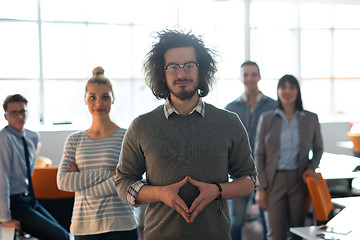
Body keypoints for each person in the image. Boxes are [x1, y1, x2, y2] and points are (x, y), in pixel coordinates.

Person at [115, 29, 258, 240]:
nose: (182, 74)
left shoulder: (229, 122)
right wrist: (160, 193)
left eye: (189, 65)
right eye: (173, 67)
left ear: (201, 71)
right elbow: (123, 181)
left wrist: (217, 190)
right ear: (162, 73)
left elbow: (249, 181)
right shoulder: (141, 126)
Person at [57, 67, 138, 240]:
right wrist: (108, 174)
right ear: (85, 100)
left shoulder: (127, 136)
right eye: (92, 97)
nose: (98, 103)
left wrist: (81, 184)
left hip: (121, 225)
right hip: (84, 227)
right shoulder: (74, 140)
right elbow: (63, 181)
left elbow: (126, 181)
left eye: (105, 97)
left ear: (113, 99)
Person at [255, 74, 323, 240]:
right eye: (283, 87)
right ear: (277, 91)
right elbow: (258, 154)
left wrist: (310, 167)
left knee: (298, 232)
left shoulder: (310, 118)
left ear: (297, 91)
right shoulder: (267, 119)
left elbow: (318, 148)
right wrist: (261, 188)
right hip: (273, 181)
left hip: (298, 180)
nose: (287, 91)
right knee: (275, 234)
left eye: (291, 87)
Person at [0, 94, 69, 240]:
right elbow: (2, 181)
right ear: (6, 116)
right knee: (60, 237)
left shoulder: (32, 137)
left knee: (64, 234)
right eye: (14, 112)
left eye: (23, 111)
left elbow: (28, 172)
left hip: (30, 198)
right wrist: (5, 218)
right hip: (14, 203)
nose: (19, 116)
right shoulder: (4, 138)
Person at [225, 61, 276, 240]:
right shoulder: (230, 109)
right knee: (236, 221)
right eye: (245, 74)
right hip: (239, 172)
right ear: (241, 77)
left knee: (267, 220)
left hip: (267, 171)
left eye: (253, 74)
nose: (249, 78)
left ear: (259, 77)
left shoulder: (274, 106)